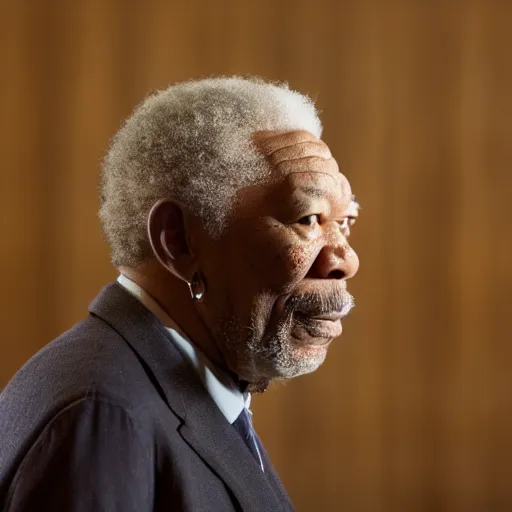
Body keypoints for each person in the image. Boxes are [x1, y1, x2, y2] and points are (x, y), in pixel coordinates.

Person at [0, 76, 359, 511]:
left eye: (345, 222)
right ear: (179, 242)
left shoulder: (172, 384)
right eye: (308, 219)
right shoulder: (105, 419)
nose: (344, 260)